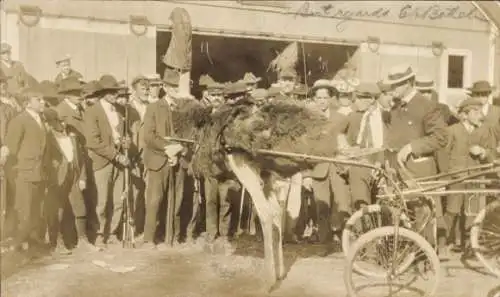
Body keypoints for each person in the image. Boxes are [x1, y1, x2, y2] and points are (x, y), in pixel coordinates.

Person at [384, 64, 448, 248]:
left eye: (396, 85)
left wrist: (413, 147)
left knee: (423, 216)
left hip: (418, 170)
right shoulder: (396, 107)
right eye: (391, 85)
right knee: (403, 216)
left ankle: (424, 260)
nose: (392, 89)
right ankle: (406, 257)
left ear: (409, 83)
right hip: (398, 171)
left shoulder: (426, 106)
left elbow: (441, 137)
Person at [441, 97, 498, 259]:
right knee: (451, 211)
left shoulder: (484, 131)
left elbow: (492, 154)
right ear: (465, 115)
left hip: (475, 178)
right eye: (475, 111)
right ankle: (443, 244)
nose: (479, 115)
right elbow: (444, 155)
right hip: (456, 177)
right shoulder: (452, 130)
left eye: (480, 111)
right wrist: (447, 175)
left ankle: (468, 246)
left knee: (472, 213)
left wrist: (483, 152)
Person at [302, 79, 351, 243]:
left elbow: (346, 144)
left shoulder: (342, 119)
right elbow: (304, 149)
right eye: (318, 98)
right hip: (317, 169)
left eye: (325, 97)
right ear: (314, 100)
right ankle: (324, 240)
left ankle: (345, 239)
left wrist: (346, 161)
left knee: (343, 204)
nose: (322, 101)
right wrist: (306, 175)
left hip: (338, 167)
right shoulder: (308, 120)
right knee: (321, 206)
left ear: (330, 98)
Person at [84, 75, 130, 248]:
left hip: (119, 161)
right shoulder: (92, 111)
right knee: (101, 202)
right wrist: (115, 155)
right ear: (103, 93)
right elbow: (93, 141)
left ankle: (111, 233)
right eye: (110, 91)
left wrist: (126, 141)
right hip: (102, 162)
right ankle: (98, 234)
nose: (114, 94)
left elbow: (123, 135)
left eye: (115, 91)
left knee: (118, 200)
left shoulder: (118, 111)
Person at [44, 108, 98, 255]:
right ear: (51, 123)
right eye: (58, 121)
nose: (62, 124)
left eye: (63, 121)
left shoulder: (72, 138)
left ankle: (83, 240)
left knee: (79, 204)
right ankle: (58, 243)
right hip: (57, 178)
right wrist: (51, 174)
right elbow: (45, 160)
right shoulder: (47, 138)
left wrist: (82, 178)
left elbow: (80, 161)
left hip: (73, 175)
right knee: (58, 210)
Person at [4, 84, 50, 253]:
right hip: (24, 172)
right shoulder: (19, 120)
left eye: (43, 99)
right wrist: (17, 172)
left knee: (35, 208)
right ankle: (18, 243)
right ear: (27, 103)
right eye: (38, 99)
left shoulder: (41, 119)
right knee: (24, 209)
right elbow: (11, 148)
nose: (43, 102)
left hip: (39, 172)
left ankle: (31, 241)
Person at [142, 69, 184, 249]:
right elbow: (148, 136)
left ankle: (170, 238)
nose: (175, 89)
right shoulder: (153, 107)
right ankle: (148, 239)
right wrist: (168, 150)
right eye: (172, 86)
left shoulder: (183, 108)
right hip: (158, 159)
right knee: (155, 200)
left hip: (177, 159)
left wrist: (180, 150)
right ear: (165, 88)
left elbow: (187, 135)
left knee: (176, 200)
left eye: (177, 86)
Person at [345, 82, 387, 209]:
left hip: (381, 165)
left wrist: (379, 163)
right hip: (364, 164)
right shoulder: (363, 116)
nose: (355, 101)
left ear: (372, 99)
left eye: (359, 98)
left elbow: (384, 144)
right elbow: (359, 143)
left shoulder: (384, 117)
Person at [55, 78, 87, 145]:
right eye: (76, 93)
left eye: (80, 92)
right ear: (67, 95)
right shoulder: (60, 111)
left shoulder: (81, 108)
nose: (80, 96)